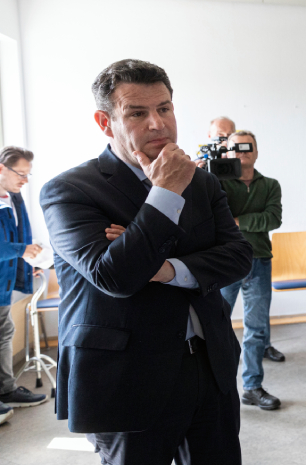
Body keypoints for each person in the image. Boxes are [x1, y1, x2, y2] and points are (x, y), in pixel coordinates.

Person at [40, 59, 253, 464]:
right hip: (127, 378)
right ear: (105, 122)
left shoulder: (202, 180)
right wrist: (165, 193)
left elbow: (239, 255)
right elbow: (115, 276)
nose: (157, 123)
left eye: (165, 108)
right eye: (137, 113)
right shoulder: (68, 191)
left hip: (210, 369)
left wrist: (167, 268)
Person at [219, 130, 284, 410]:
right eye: (237, 147)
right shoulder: (216, 182)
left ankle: (252, 387)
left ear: (256, 152)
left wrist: (237, 221)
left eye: (248, 147)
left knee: (256, 330)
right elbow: (215, 218)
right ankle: (216, 390)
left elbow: (273, 219)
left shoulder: (270, 185)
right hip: (225, 262)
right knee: (216, 327)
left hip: (258, 261)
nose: (243, 151)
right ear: (227, 152)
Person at [0, 147, 47, 425]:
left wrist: (29, 262)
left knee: (5, 333)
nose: (25, 181)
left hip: (3, 283)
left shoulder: (14, 199)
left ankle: (6, 389)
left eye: (28, 175)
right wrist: (22, 250)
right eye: (21, 174)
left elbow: (20, 235)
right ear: (2, 169)